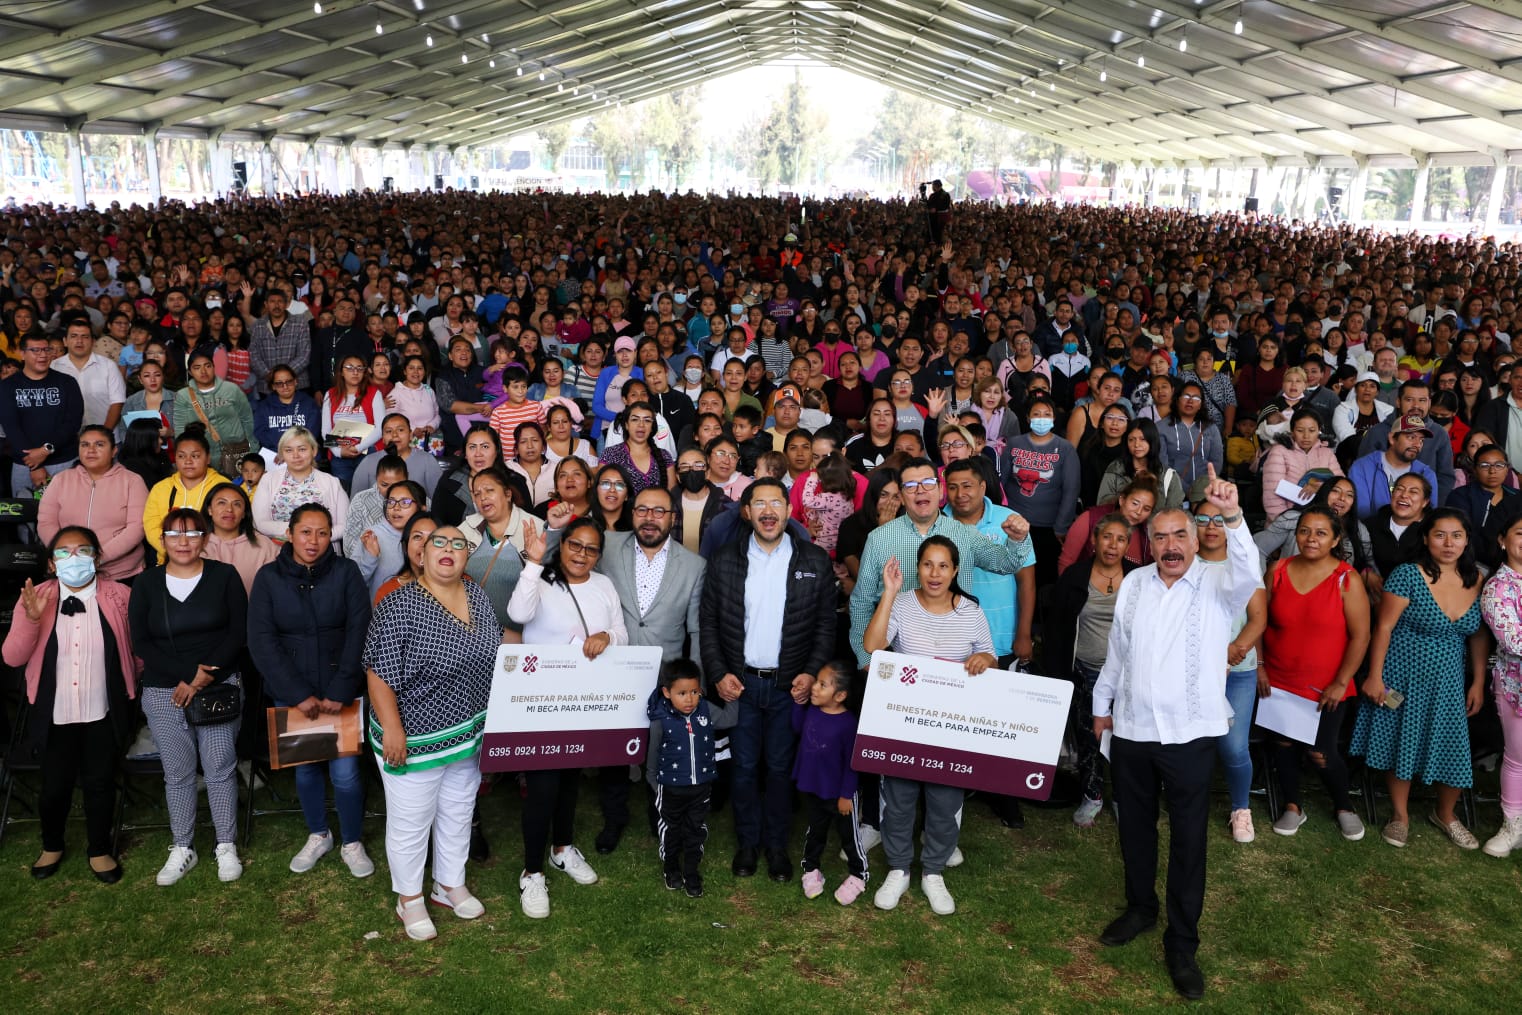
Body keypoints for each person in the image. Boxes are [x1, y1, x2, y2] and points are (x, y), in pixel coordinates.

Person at [1091, 466, 1257, 1001]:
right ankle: (1140, 907)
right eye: (1159, 536)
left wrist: (1232, 515)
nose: (1168, 545)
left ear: (1196, 537)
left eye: (1179, 535)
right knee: (1134, 827)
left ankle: (1182, 941)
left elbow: (1250, 570)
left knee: (1189, 840)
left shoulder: (1219, 582)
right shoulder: (1135, 582)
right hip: (1134, 729)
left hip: (1190, 734)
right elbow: (1117, 650)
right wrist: (1102, 706)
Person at [700, 478, 837, 882]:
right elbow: (708, 621)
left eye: (775, 502)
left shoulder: (813, 560)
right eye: (758, 503)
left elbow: (825, 625)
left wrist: (810, 673)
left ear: (788, 510)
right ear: (747, 512)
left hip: (786, 687)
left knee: (778, 769)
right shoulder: (725, 558)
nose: (768, 510)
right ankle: (747, 844)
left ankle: (776, 846)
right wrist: (718, 673)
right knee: (742, 768)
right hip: (739, 685)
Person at [365, 523, 496, 941]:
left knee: (458, 810)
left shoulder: (477, 595)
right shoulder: (398, 605)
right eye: (438, 542)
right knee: (411, 821)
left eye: (458, 545)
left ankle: (448, 883)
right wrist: (393, 730)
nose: (448, 550)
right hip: (413, 735)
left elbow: (495, 649)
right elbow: (378, 675)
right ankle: (409, 898)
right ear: (419, 554)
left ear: (466, 557)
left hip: (467, 731)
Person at [863, 538, 997, 916]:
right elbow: (873, 646)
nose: (934, 574)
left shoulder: (970, 611)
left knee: (944, 800)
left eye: (943, 566)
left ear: (955, 571)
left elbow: (992, 657)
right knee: (900, 799)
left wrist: (984, 658)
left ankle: (934, 871)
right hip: (904, 723)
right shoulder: (903, 603)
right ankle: (899, 868)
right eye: (927, 565)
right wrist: (889, 592)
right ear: (917, 567)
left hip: (951, 728)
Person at [508, 517, 628, 918]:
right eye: (576, 545)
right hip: (540, 699)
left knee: (570, 779)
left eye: (591, 549)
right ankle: (532, 872)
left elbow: (621, 631)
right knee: (542, 787)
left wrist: (607, 637)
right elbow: (517, 612)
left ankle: (561, 849)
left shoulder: (604, 586)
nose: (582, 555)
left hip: (583, 699)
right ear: (563, 545)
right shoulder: (540, 580)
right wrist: (533, 563)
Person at [3, 526, 137, 884]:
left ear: (97, 557)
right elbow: (13, 657)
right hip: (54, 710)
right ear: (51, 562)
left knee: (100, 781)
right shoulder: (35, 597)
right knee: (54, 785)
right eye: (64, 552)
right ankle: (52, 845)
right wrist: (32, 619)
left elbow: (135, 653)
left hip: (103, 708)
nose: (74, 558)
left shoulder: (120, 595)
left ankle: (99, 849)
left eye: (83, 550)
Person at [248, 503, 375, 878]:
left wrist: (340, 689)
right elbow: (261, 640)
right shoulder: (269, 578)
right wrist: (297, 694)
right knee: (305, 771)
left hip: (341, 690)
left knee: (347, 774)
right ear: (289, 534)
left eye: (322, 533)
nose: (314, 541)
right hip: (294, 692)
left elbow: (359, 631)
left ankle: (352, 840)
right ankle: (319, 834)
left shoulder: (347, 572)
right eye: (306, 532)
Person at [1351, 509, 1489, 850]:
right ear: (1425, 538)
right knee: (1403, 739)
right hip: (1402, 675)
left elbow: (1478, 636)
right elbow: (1383, 627)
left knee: (1454, 746)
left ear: (1467, 540)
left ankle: (1446, 814)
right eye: (1439, 534)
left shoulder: (1477, 579)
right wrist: (1375, 676)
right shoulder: (1406, 575)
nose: (1448, 543)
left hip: (1449, 682)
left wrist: (1477, 681)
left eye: (1456, 535)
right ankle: (1400, 816)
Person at [128, 508, 249, 887]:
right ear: (162, 541)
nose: (184, 542)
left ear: (205, 538)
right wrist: (186, 676)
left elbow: (237, 631)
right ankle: (183, 845)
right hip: (165, 689)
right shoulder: (146, 583)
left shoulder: (224, 576)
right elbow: (141, 640)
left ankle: (225, 844)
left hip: (218, 684)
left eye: (193, 534)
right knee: (178, 771)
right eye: (175, 535)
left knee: (220, 765)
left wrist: (201, 677)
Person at [849, 458, 1032, 668]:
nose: (920, 491)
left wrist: (1017, 540)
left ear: (939, 489)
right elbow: (861, 602)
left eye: (927, 483)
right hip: (895, 658)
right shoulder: (879, 538)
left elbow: (1006, 564)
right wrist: (867, 660)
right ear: (900, 495)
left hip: (954, 655)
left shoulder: (964, 534)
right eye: (910, 486)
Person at [1260, 504, 1372, 842]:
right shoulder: (1277, 569)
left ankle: (1343, 806)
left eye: (1321, 532)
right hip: (1278, 679)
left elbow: (1361, 635)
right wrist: (1260, 666)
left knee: (1321, 753)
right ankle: (1293, 805)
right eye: (1305, 530)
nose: (1311, 538)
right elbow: (1258, 623)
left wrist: (1341, 682)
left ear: (1336, 539)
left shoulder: (1346, 578)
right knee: (1282, 743)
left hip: (1326, 685)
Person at [1193, 494, 1268, 845]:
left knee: (1234, 746)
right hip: (1192, 670)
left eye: (1219, 519)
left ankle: (1241, 808)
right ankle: (1189, 799)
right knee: (1190, 742)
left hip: (1238, 670)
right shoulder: (1184, 564)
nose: (1211, 527)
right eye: (1204, 519)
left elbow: (1258, 618)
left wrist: (1235, 651)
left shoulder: (1245, 565)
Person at [791, 662, 867, 906]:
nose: (814, 687)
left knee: (849, 836)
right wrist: (798, 704)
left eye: (822, 685)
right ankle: (811, 870)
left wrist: (846, 794)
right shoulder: (813, 711)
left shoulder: (847, 724)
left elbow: (852, 764)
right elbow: (797, 727)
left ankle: (858, 875)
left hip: (840, 795)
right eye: (817, 682)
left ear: (840, 695)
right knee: (815, 831)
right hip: (814, 788)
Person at [37, 425, 148, 583]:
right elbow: (46, 522)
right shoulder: (61, 479)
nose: (91, 450)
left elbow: (137, 527)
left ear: (114, 450)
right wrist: (66, 556)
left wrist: (97, 558)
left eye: (99, 444)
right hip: (69, 570)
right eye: (85, 445)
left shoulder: (132, 481)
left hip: (120, 573)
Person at [647, 658, 717, 898]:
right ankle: (671, 868)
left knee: (695, 831)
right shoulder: (660, 721)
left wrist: (735, 696)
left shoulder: (704, 713)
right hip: (671, 791)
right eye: (682, 693)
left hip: (700, 790)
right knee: (672, 831)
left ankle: (691, 871)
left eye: (694, 692)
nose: (689, 699)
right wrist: (658, 788)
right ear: (667, 692)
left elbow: (731, 718)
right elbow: (652, 762)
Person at [1479, 514, 1522, 858]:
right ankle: (1511, 826)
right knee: (1518, 757)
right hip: (1515, 685)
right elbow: (1512, 640)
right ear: (1503, 540)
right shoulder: (1499, 586)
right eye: (1520, 533)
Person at [0, 332, 84, 496]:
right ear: (22, 353)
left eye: (46, 350)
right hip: (24, 464)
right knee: (25, 517)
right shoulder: (7, 386)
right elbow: (11, 427)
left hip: (64, 461)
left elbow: (72, 422)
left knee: (67, 516)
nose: (43, 355)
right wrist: (35, 465)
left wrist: (45, 450)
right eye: (36, 350)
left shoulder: (67, 382)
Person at [143, 428, 230, 564]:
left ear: (208, 458)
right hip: (169, 562)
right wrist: (176, 552)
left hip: (214, 562)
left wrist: (203, 554)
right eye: (181, 456)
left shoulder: (224, 487)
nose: (188, 461)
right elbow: (152, 527)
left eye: (195, 456)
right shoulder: (161, 488)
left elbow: (229, 528)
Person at [251, 426, 350, 541]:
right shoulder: (268, 480)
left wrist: (316, 538)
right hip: (278, 550)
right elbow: (260, 523)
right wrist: (299, 534)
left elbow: (345, 526)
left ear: (314, 451)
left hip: (321, 549)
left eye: (302, 449)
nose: (296, 455)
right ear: (281, 454)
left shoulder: (332, 483)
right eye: (288, 450)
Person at [174, 347, 258, 474]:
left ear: (214, 367)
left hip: (236, 454)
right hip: (202, 458)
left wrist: (253, 451)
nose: (203, 371)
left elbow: (247, 420)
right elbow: (180, 430)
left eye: (207, 366)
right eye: (197, 368)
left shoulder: (231, 389)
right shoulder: (183, 396)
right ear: (190, 372)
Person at [1348, 413, 1441, 519]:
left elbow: (1429, 517)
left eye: (1421, 440)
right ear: (1392, 438)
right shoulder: (1362, 467)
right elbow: (1362, 513)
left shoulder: (1426, 474)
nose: (1417, 444)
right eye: (1411, 437)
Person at [201, 482, 281, 594]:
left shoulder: (264, 545)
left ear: (244, 513)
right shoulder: (196, 544)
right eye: (221, 503)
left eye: (237, 504)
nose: (229, 509)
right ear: (209, 509)